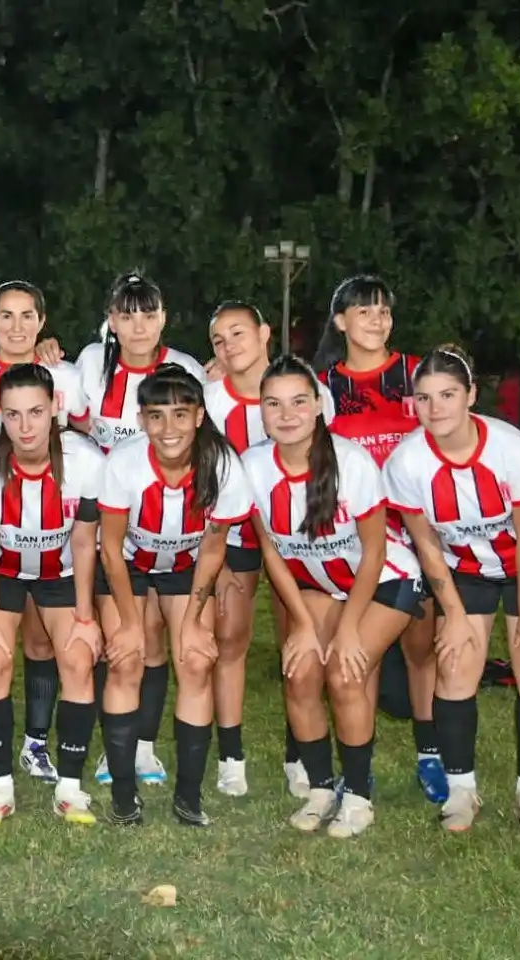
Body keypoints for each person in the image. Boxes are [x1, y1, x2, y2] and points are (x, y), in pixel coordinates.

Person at [245, 355, 425, 837]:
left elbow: (374, 552)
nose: (287, 414)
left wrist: (347, 630)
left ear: (319, 405)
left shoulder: (351, 462)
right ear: (260, 411)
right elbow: (271, 550)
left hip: (384, 580)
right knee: (300, 670)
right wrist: (303, 624)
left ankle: (359, 795)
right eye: (274, 404)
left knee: (346, 674)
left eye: (299, 402)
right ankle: (322, 787)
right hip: (320, 586)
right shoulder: (253, 467)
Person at [384, 345, 520, 835]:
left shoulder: (511, 449)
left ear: (471, 395)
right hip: (464, 569)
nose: (435, 409)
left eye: (448, 395)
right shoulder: (407, 462)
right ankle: (461, 790)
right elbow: (427, 545)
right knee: (455, 664)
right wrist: (452, 613)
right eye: (424, 398)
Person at [96, 364, 254, 826]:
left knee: (196, 659)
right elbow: (109, 547)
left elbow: (212, 547)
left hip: (185, 566)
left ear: (200, 417)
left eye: (181, 415)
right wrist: (128, 623)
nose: (169, 429)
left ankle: (189, 796)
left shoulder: (222, 464)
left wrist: (190, 624)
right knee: (126, 659)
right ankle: (124, 795)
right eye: (157, 416)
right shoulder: (124, 463)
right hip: (127, 566)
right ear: (142, 419)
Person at [313, 274, 444, 806]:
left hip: (423, 534)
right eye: (364, 312)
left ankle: (430, 752)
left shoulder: (418, 375)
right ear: (340, 320)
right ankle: (355, 768)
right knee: (357, 659)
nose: (377, 320)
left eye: (384, 311)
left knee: (422, 651)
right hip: (359, 544)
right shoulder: (323, 388)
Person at [0, 363, 104, 828]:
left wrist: (85, 614)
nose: (25, 427)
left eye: (36, 412)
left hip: (60, 569)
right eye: (13, 414)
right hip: (0, 571)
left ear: (55, 408)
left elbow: (84, 541)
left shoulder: (84, 459)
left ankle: (70, 788)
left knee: (79, 656)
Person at [77, 272, 206, 790]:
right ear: (111, 319)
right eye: (126, 315)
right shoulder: (91, 364)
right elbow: (80, 431)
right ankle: (117, 748)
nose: (137, 326)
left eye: (148, 314)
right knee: (121, 639)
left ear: (163, 318)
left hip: (169, 522)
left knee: (153, 642)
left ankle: (144, 748)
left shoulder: (187, 369)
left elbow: (200, 437)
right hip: (111, 520)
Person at [202, 302, 336, 798]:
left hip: (293, 538)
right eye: (218, 340)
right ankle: (231, 756)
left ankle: (298, 754)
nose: (229, 345)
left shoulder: (306, 394)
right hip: (235, 534)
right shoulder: (211, 400)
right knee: (230, 640)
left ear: (264, 333)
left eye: (237, 333)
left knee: (295, 642)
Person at [0, 281, 88, 785]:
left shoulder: (63, 375)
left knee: (40, 642)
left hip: (51, 531)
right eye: (5, 316)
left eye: (26, 315)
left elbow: (85, 431)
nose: (16, 326)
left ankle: (36, 742)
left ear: (41, 320)